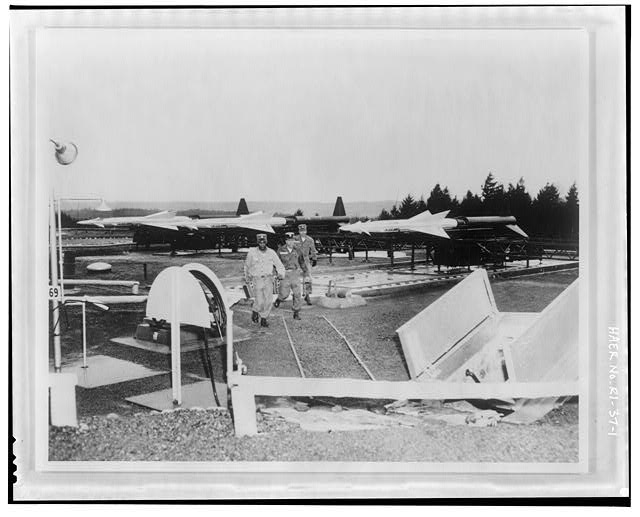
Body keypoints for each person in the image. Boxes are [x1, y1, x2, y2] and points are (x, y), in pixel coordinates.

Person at [243, 233, 285, 327]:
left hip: (268, 279)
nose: (262, 244)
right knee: (260, 300)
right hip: (257, 279)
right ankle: (255, 310)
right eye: (260, 242)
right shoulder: (252, 253)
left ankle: (264, 318)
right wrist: (247, 276)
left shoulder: (271, 252)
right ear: (258, 242)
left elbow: (279, 265)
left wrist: (281, 273)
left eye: (264, 242)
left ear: (266, 242)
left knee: (269, 300)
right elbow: (247, 266)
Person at [274, 232, 308, 319]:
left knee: (297, 294)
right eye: (289, 240)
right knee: (285, 294)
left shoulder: (298, 250)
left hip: (295, 274)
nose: (291, 242)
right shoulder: (280, 250)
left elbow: (302, 262)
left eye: (292, 240)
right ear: (286, 241)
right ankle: (279, 299)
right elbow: (276, 263)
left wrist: (305, 272)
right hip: (284, 274)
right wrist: (276, 273)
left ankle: (296, 312)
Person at [296, 223, 318, 305]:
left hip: (305, 260)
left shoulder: (310, 240)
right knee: (295, 279)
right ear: (299, 231)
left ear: (306, 231)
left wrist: (314, 259)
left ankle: (307, 295)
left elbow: (313, 250)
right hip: (297, 260)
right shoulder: (295, 239)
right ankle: (296, 296)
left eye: (304, 231)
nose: (302, 232)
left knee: (308, 278)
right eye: (301, 231)